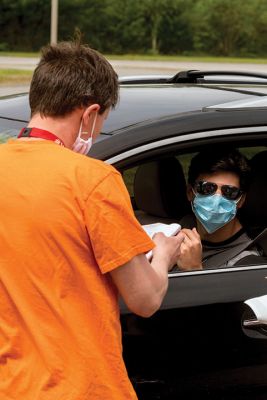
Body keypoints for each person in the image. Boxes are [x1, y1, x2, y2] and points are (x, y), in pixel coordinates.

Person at [0, 40, 184, 400]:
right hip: (82, 387)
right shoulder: (93, 180)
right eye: (101, 123)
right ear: (90, 114)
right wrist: (163, 253)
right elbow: (145, 299)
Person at [176, 148, 262, 271]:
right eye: (207, 188)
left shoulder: (249, 265)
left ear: (241, 200)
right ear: (190, 192)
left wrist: (194, 270)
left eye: (229, 192)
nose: (217, 199)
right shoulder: (177, 229)